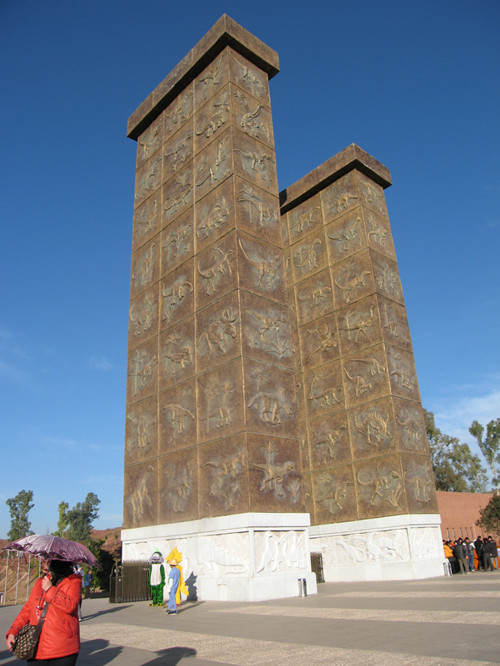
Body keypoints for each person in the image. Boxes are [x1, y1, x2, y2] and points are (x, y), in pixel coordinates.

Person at [5, 558, 81, 665]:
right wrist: (14, 631)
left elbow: (70, 605)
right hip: (36, 646)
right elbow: (28, 609)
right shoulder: (40, 582)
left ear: (56, 561)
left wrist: (50, 589)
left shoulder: (73, 581)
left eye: (46, 559)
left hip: (63, 649)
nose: (42, 562)